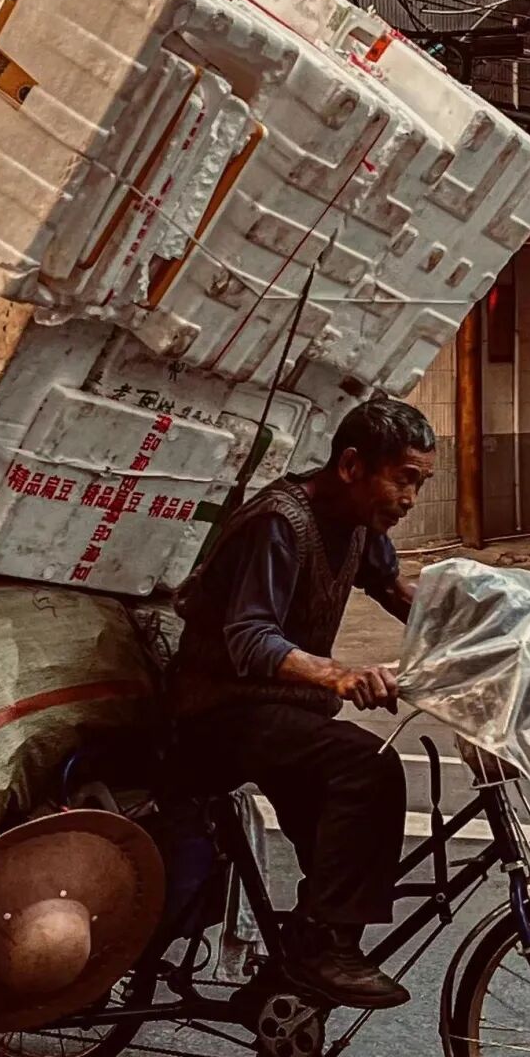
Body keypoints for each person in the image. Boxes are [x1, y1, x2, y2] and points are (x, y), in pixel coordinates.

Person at [171, 397, 437, 1013]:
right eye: (403, 479)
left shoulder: (360, 527)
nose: (410, 499)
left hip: (282, 716)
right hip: (217, 713)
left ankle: (287, 992)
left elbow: (399, 592)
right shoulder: (278, 523)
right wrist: (339, 676)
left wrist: (495, 632)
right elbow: (251, 637)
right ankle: (323, 950)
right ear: (351, 465)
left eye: (419, 484)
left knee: (339, 846)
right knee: (365, 765)